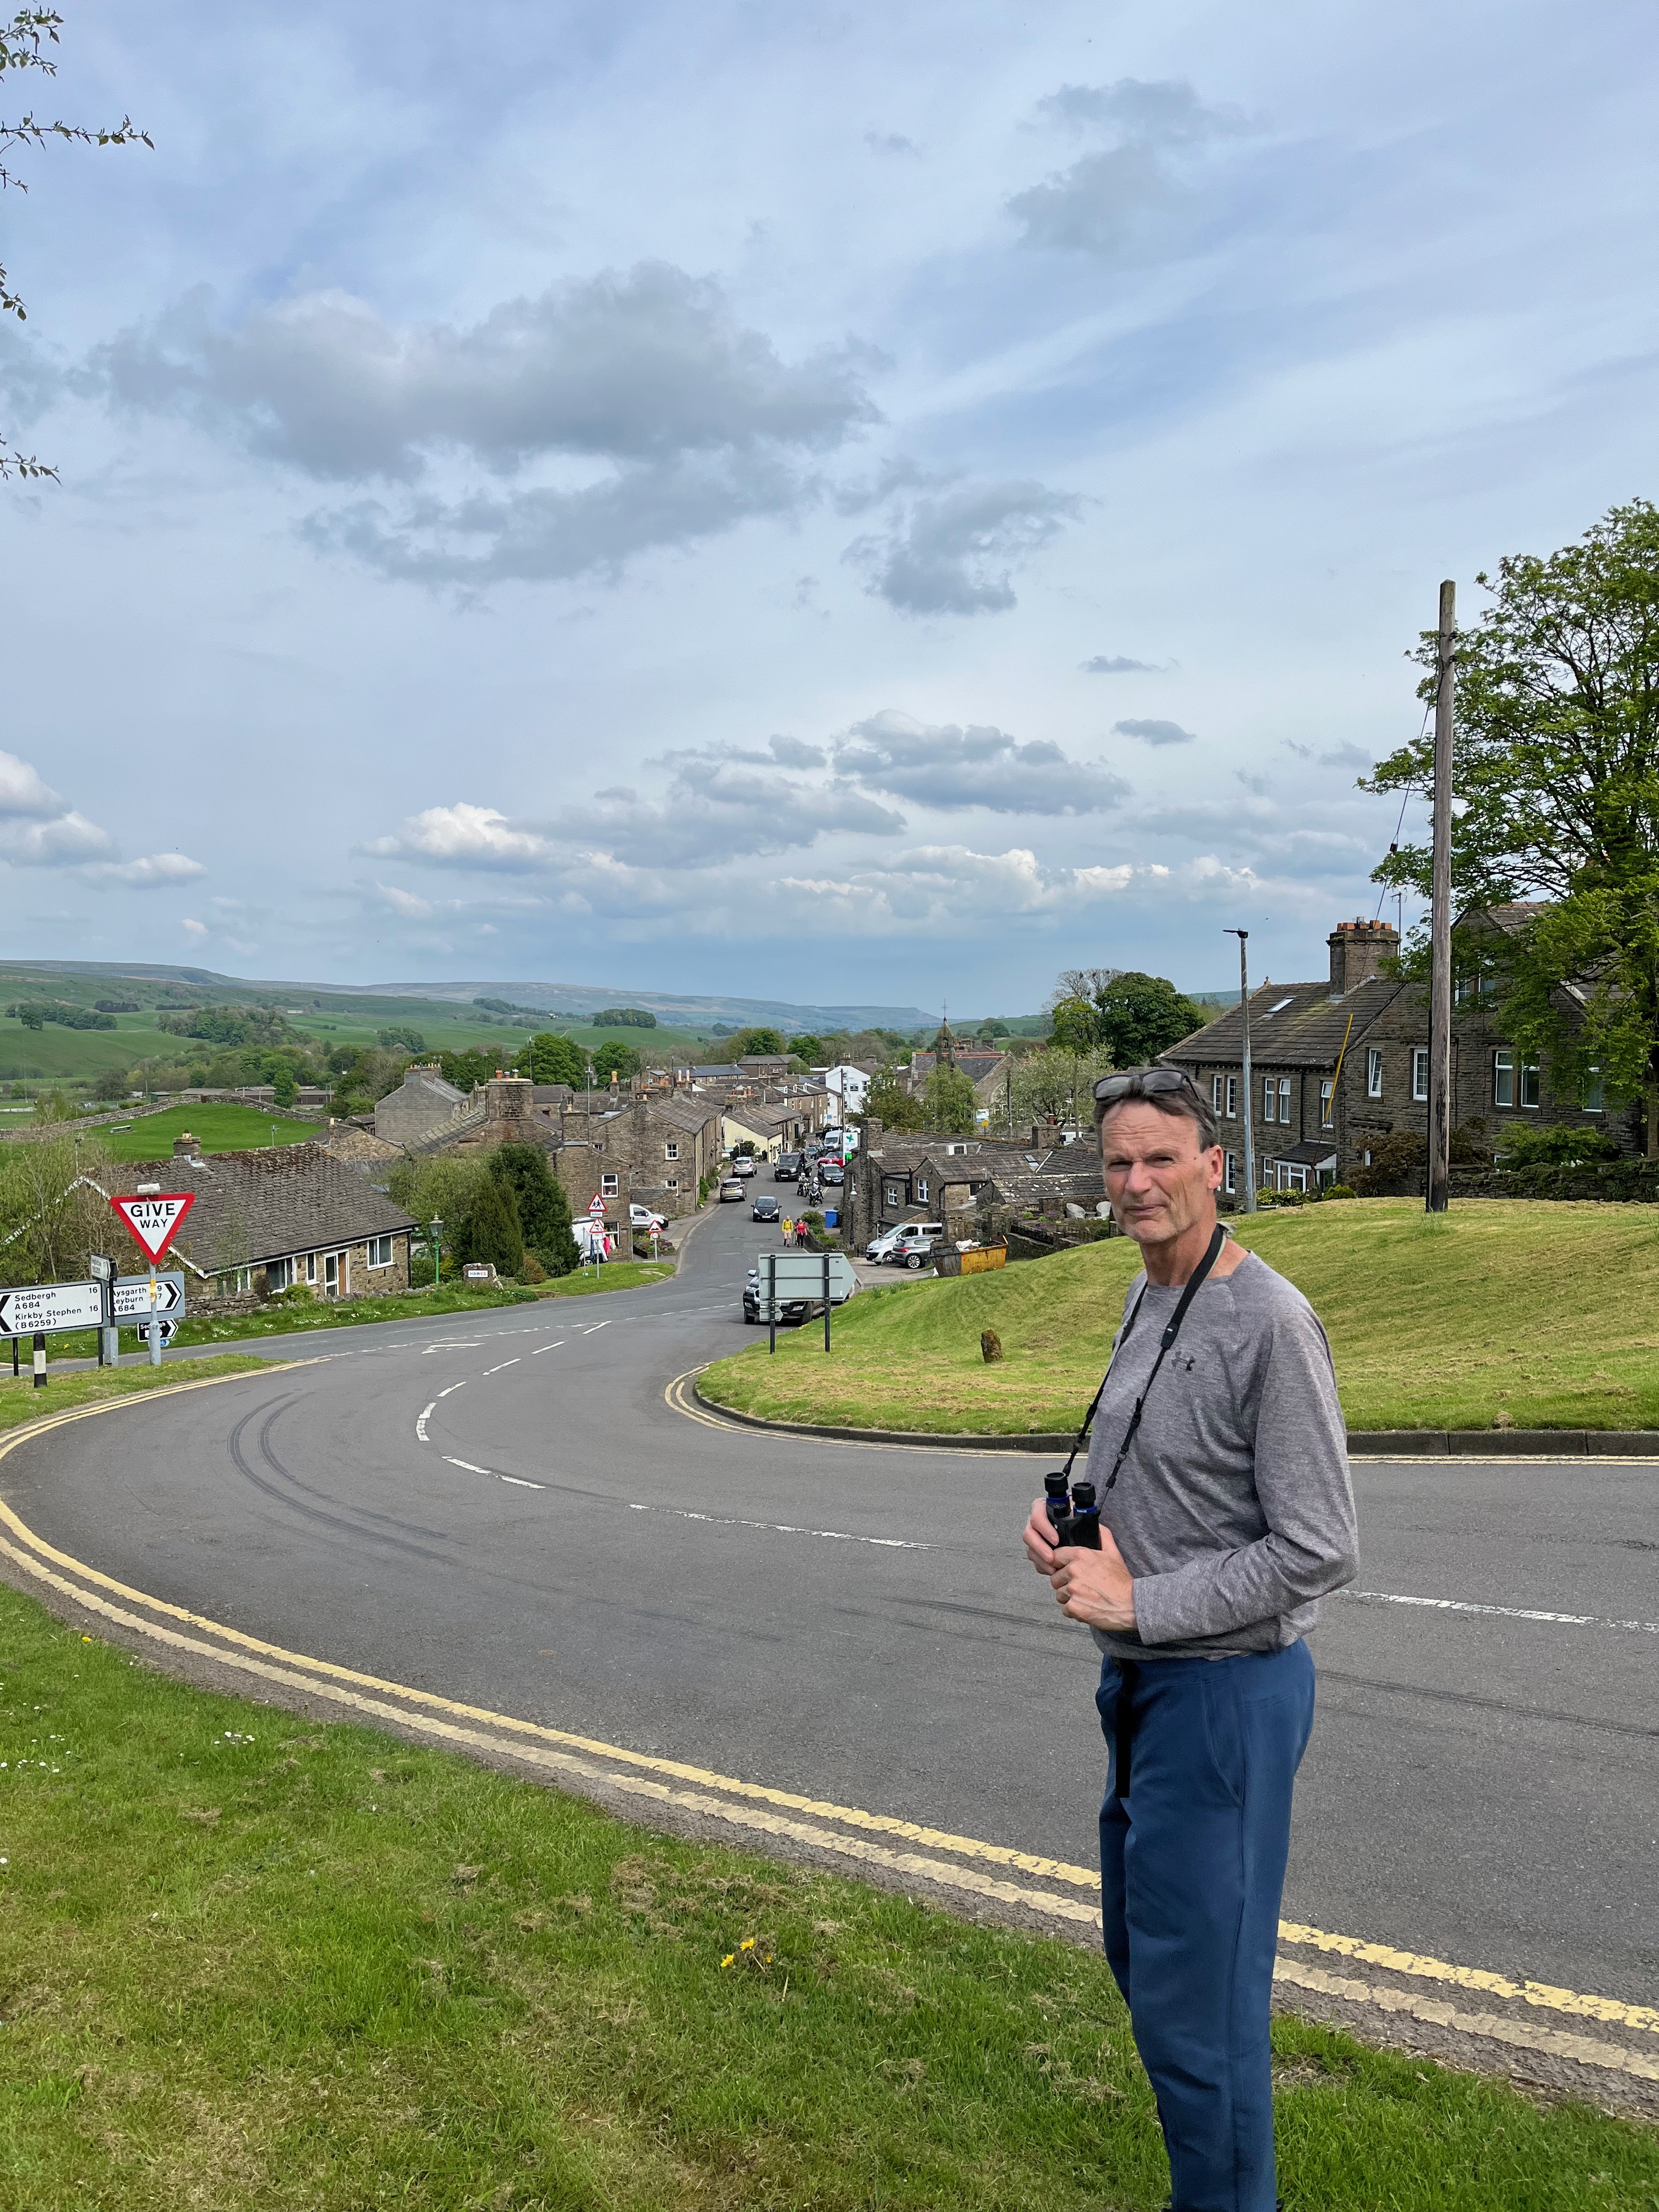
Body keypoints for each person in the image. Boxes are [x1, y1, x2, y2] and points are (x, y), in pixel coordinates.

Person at [1022, 1066, 1357, 2212]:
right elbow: (1171, 1476)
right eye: (1119, 1160)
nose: (1136, 1182)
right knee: (1150, 1964)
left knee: (1199, 2006)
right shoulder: (1149, 1291)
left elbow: (1320, 1550)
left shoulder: (1269, 1321)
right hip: (1145, 1690)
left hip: (1225, 1694)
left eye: (1162, 1158)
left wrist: (1140, 1603)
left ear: (1218, 1169)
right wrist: (1076, 1533)